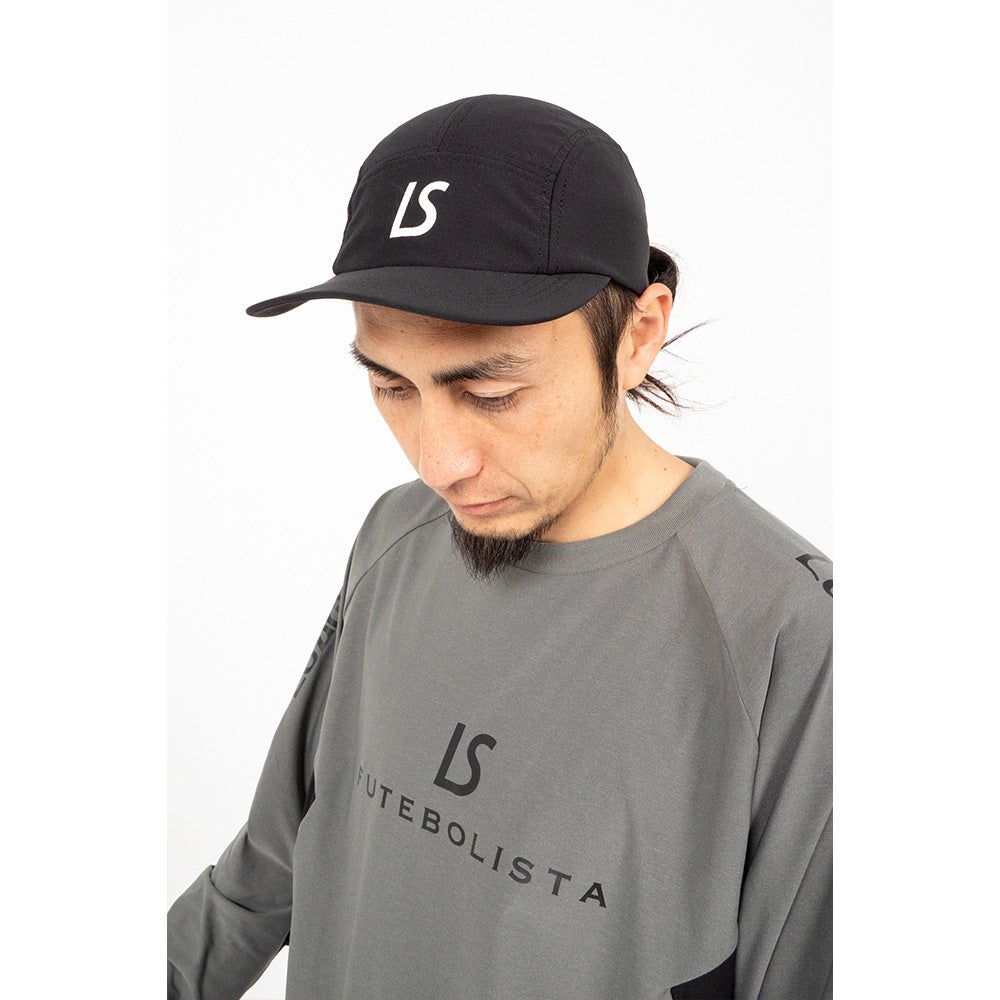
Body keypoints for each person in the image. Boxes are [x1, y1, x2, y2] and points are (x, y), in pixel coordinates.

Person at [168, 94, 832, 1000]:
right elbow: (266, 874)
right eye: (392, 386)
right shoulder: (395, 535)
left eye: (489, 394)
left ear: (638, 335)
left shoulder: (791, 640)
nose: (439, 463)